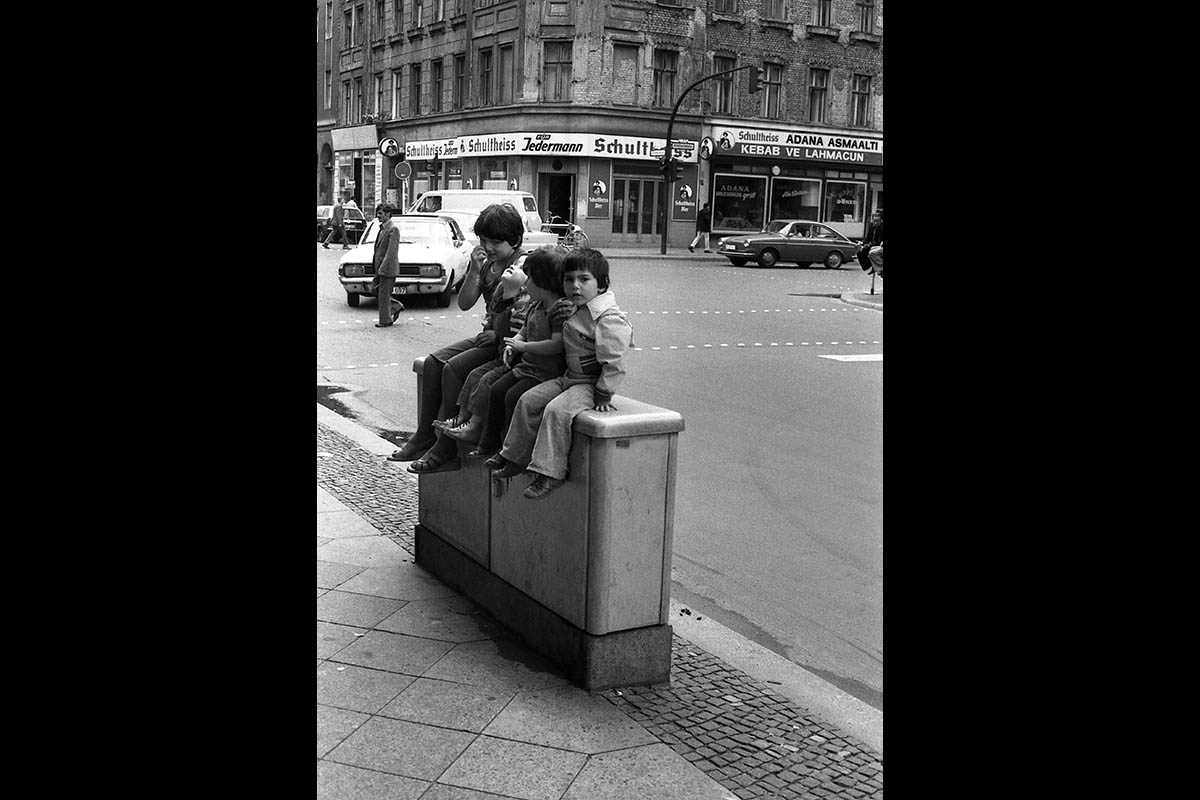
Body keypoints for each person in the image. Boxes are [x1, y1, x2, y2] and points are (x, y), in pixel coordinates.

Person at [387, 203, 528, 473]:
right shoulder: (489, 265)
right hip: (490, 335)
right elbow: (464, 303)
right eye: (484, 240)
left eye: (496, 242)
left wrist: (496, 331)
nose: (487, 247)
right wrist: (475, 271)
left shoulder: (522, 266)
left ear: (516, 240)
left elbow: (524, 313)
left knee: (452, 369)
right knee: (432, 362)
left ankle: (447, 447)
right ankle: (424, 435)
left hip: (509, 340)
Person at [486, 248, 633, 500]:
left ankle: (550, 472)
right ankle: (514, 456)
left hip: (589, 384)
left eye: (584, 279)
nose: (575, 286)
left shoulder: (608, 318)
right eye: (569, 280)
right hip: (569, 377)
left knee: (557, 411)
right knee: (528, 400)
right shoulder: (579, 307)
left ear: (602, 285)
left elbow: (614, 362)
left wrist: (604, 394)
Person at [446, 248, 570, 458]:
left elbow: (556, 345)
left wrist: (522, 346)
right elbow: (520, 330)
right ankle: (487, 442)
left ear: (544, 283)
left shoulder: (559, 309)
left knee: (512, 396)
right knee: (495, 389)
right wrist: (515, 343)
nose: (525, 283)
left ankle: (510, 451)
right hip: (526, 365)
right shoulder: (536, 304)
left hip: (544, 371)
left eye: (529, 278)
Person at [434, 261, 532, 434]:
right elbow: (499, 327)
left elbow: (506, 332)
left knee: (486, 381)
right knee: (474, 375)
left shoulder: (525, 307)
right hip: (503, 355)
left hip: (514, 360)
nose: (513, 267)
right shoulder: (502, 292)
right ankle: (461, 418)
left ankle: (474, 425)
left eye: (520, 268)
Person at [371, 204, 404, 327]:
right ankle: (396, 306)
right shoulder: (382, 228)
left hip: (387, 268)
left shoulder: (393, 229)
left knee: (383, 295)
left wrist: (383, 268)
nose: (378, 216)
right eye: (378, 213)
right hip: (379, 267)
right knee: (374, 289)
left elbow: (391, 252)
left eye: (380, 213)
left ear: (388, 214)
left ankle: (385, 320)